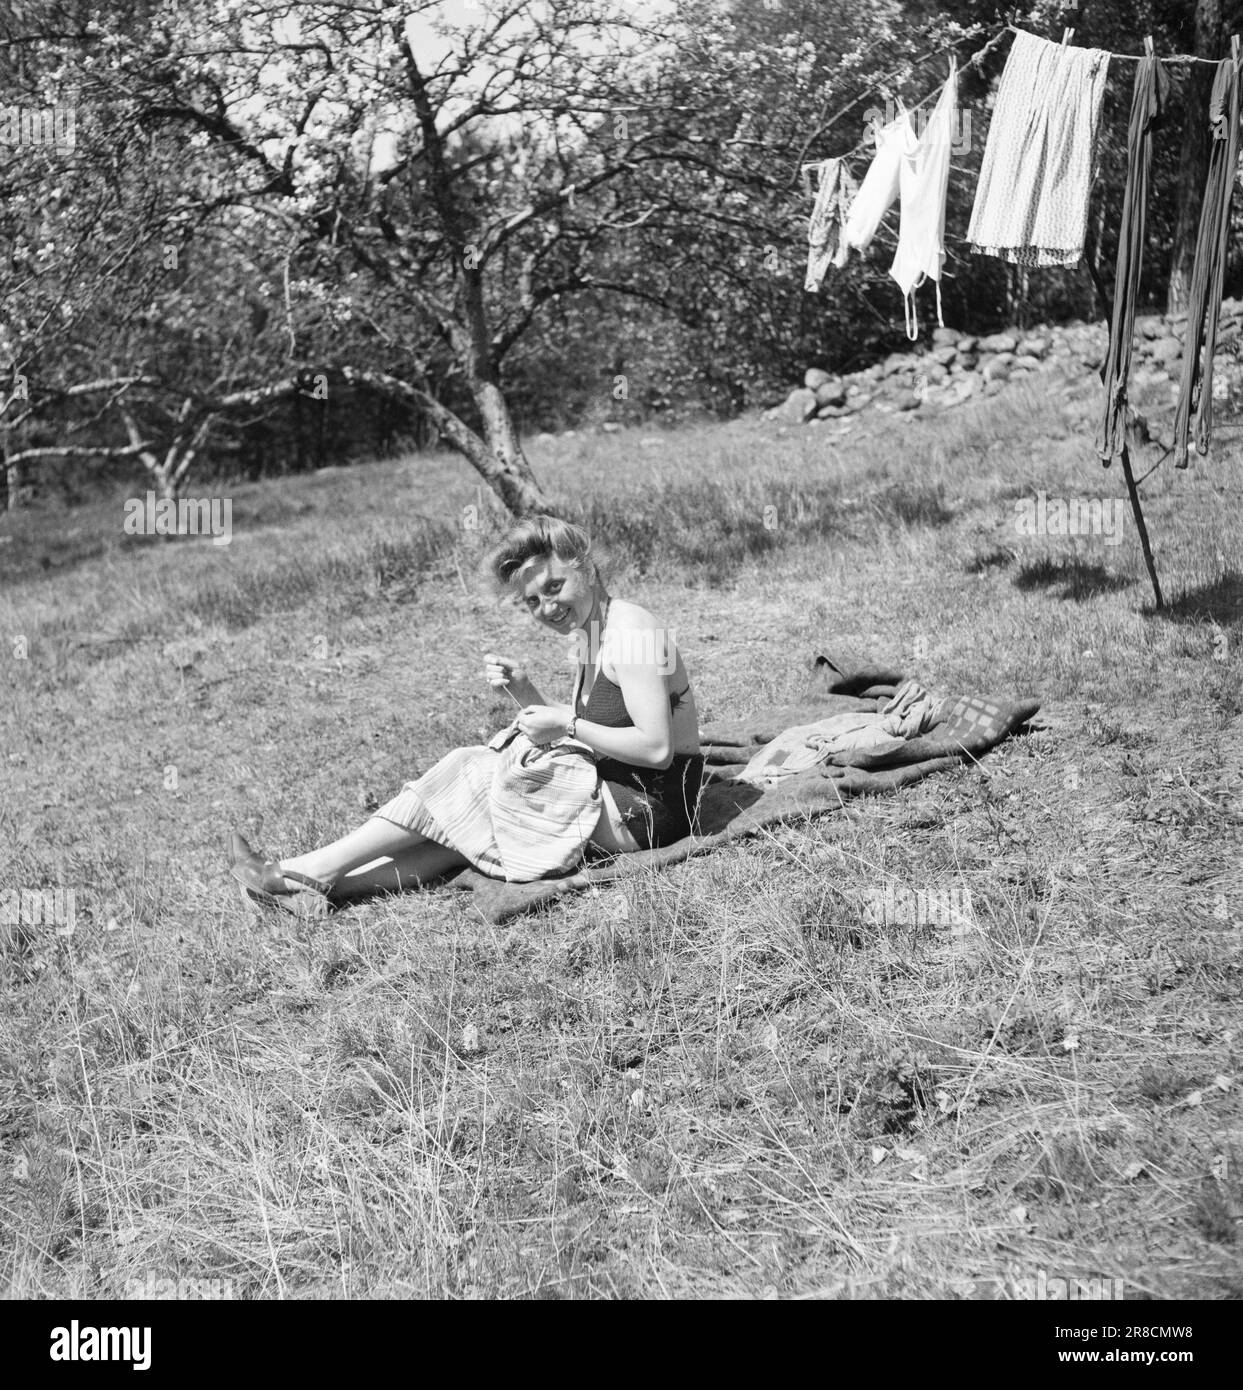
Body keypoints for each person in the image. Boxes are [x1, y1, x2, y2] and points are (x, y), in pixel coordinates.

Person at [229, 516, 705, 915]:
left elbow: (657, 751)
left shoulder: (634, 631)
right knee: (462, 822)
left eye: (553, 587)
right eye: (532, 602)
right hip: (617, 789)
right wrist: (526, 692)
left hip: (649, 810)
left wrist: (566, 724)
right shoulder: (592, 627)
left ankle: (299, 871)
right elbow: (598, 725)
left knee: (469, 775)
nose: (548, 608)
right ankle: (313, 890)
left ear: (586, 566)